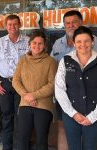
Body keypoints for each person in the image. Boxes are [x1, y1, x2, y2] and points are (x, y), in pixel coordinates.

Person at [50, 10, 97, 150]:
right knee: (72, 144)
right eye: (79, 42)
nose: (83, 44)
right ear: (74, 43)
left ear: (92, 41)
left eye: (86, 41)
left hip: (93, 114)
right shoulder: (63, 55)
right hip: (69, 110)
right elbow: (59, 87)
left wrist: (93, 117)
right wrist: (73, 113)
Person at [0, 14, 29, 150]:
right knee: (7, 117)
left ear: (20, 25)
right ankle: (7, 147)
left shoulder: (28, 41)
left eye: (15, 24)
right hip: (4, 84)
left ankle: (18, 147)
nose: (12, 27)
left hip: (22, 84)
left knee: (20, 118)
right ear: (6, 26)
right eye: (10, 24)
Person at [12, 30, 57, 150]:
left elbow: (52, 84)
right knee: (22, 137)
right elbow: (16, 80)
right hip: (25, 102)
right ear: (29, 44)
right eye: (34, 43)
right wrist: (26, 95)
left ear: (45, 45)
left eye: (40, 43)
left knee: (41, 139)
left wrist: (34, 95)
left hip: (43, 104)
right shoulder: (23, 60)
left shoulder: (51, 62)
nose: (37, 46)